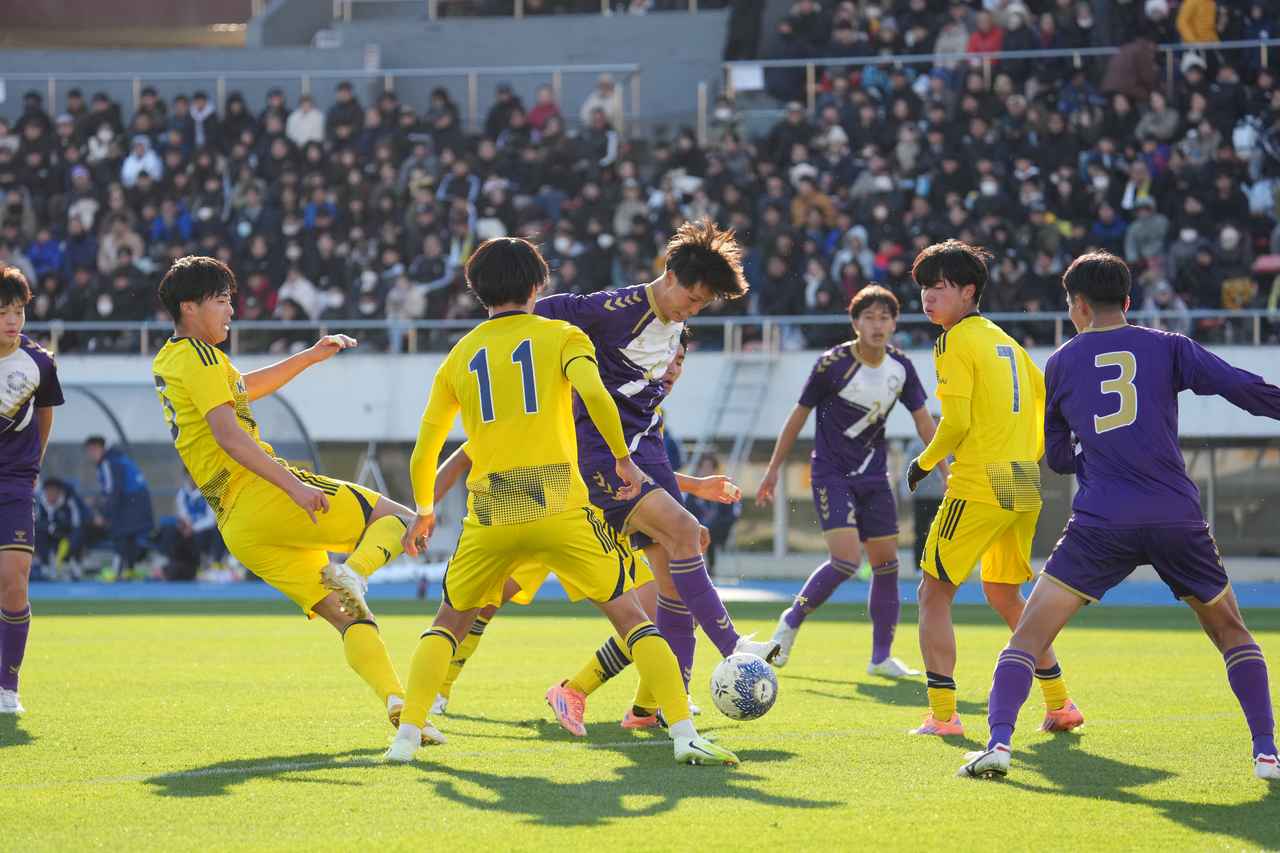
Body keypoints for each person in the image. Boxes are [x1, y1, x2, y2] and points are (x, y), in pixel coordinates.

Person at [385, 237, 737, 766]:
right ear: (537, 286)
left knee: (450, 619)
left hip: (494, 507)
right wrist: (621, 458)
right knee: (635, 618)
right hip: (562, 500)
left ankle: (408, 735)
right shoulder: (563, 335)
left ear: (476, 289)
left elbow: (428, 442)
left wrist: (426, 509)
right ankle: (683, 730)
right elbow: (597, 398)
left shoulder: (461, 354)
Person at [961, 252, 1280, 782]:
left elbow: (1059, 457)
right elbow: (1239, 386)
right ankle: (1267, 754)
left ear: (1078, 305)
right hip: (1175, 516)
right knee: (1233, 634)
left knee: (1027, 638)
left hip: (1101, 522)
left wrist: (1094, 454)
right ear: (1128, 302)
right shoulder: (1169, 347)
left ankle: (997, 744)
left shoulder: (1061, 362)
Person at [150, 256, 433, 741]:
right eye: (221, 300)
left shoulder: (175, 360)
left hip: (239, 526)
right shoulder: (198, 357)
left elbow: (241, 392)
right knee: (406, 518)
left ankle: (397, 702)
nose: (231, 310)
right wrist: (294, 486)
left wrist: (308, 357)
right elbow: (229, 435)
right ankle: (357, 571)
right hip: (262, 494)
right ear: (189, 307)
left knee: (348, 617)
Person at [427, 334, 740, 731]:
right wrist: (420, 509)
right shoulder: (573, 399)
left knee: (662, 605)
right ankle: (440, 689)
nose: (674, 368)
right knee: (479, 603)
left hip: (581, 524)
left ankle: (641, 704)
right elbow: (464, 456)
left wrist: (687, 499)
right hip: (540, 513)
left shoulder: (642, 407)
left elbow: (631, 470)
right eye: (669, 358)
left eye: (680, 360)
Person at [534, 220, 778, 711]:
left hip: (645, 454)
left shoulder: (674, 330)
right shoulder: (615, 309)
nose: (692, 309)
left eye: (701, 305)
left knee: (677, 590)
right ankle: (734, 649)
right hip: (604, 456)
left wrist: (686, 480)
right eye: (690, 298)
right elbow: (538, 312)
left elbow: (644, 407)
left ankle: (657, 708)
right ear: (668, 274)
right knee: (687, 535)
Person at [904, 240, 1083, 737]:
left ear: (968, 291)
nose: (927, 297)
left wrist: (923, 462)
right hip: (1021, 480)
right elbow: (1047, 408)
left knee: (933, 593)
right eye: (923, 288)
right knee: (1005, 593)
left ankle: (944, 717)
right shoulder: (1010, 343)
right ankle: (1059, 703)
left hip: (979, 481)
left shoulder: (954, 341)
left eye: (938, 287)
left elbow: (956, 421)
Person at [757, 285, 945, 678]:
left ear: (894, 323)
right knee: (845, 561)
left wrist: (947, 472)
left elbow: (925, 422)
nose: (878, 325)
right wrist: (774, 468)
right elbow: (798, 415)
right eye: (869, 317)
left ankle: (881, 657)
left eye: (885, 317)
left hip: (875, 477)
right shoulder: (832, 364)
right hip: (831, 474)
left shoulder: (902, 367)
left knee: (887, 565)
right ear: (855, 322)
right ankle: (790, 622)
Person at [0, 269, 62, 714]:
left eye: (18, 311)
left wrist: (33, 465)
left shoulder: (40, 362)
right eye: (3, 312)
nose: (12, 320)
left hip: (15, 483)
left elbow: (45, 417)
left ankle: (7, 688)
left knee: (15, 583)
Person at [84, 435, 154, 578]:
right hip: (139, 503)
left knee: (119, 533)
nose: (90, 455)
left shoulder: (108, 463)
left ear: (100, 449)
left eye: (92, 450)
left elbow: (113, 492)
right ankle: (130, 570)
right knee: (129, 537)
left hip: (131, 502)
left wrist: (103, 515)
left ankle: (117, 572)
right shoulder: (118, 459)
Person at [35, 478, 88, 581]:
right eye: (48, 491)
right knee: (37, 534)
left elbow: (76, 525)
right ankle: (46, 565)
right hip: (48, 537)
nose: (50, 495)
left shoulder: (69, 502)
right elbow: (36, 523)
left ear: (59, 492)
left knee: (77, 538)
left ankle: (69, 565)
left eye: (53, 491)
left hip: (66, 536)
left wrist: (68, 544)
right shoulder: (39, 503)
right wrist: (50, 528)